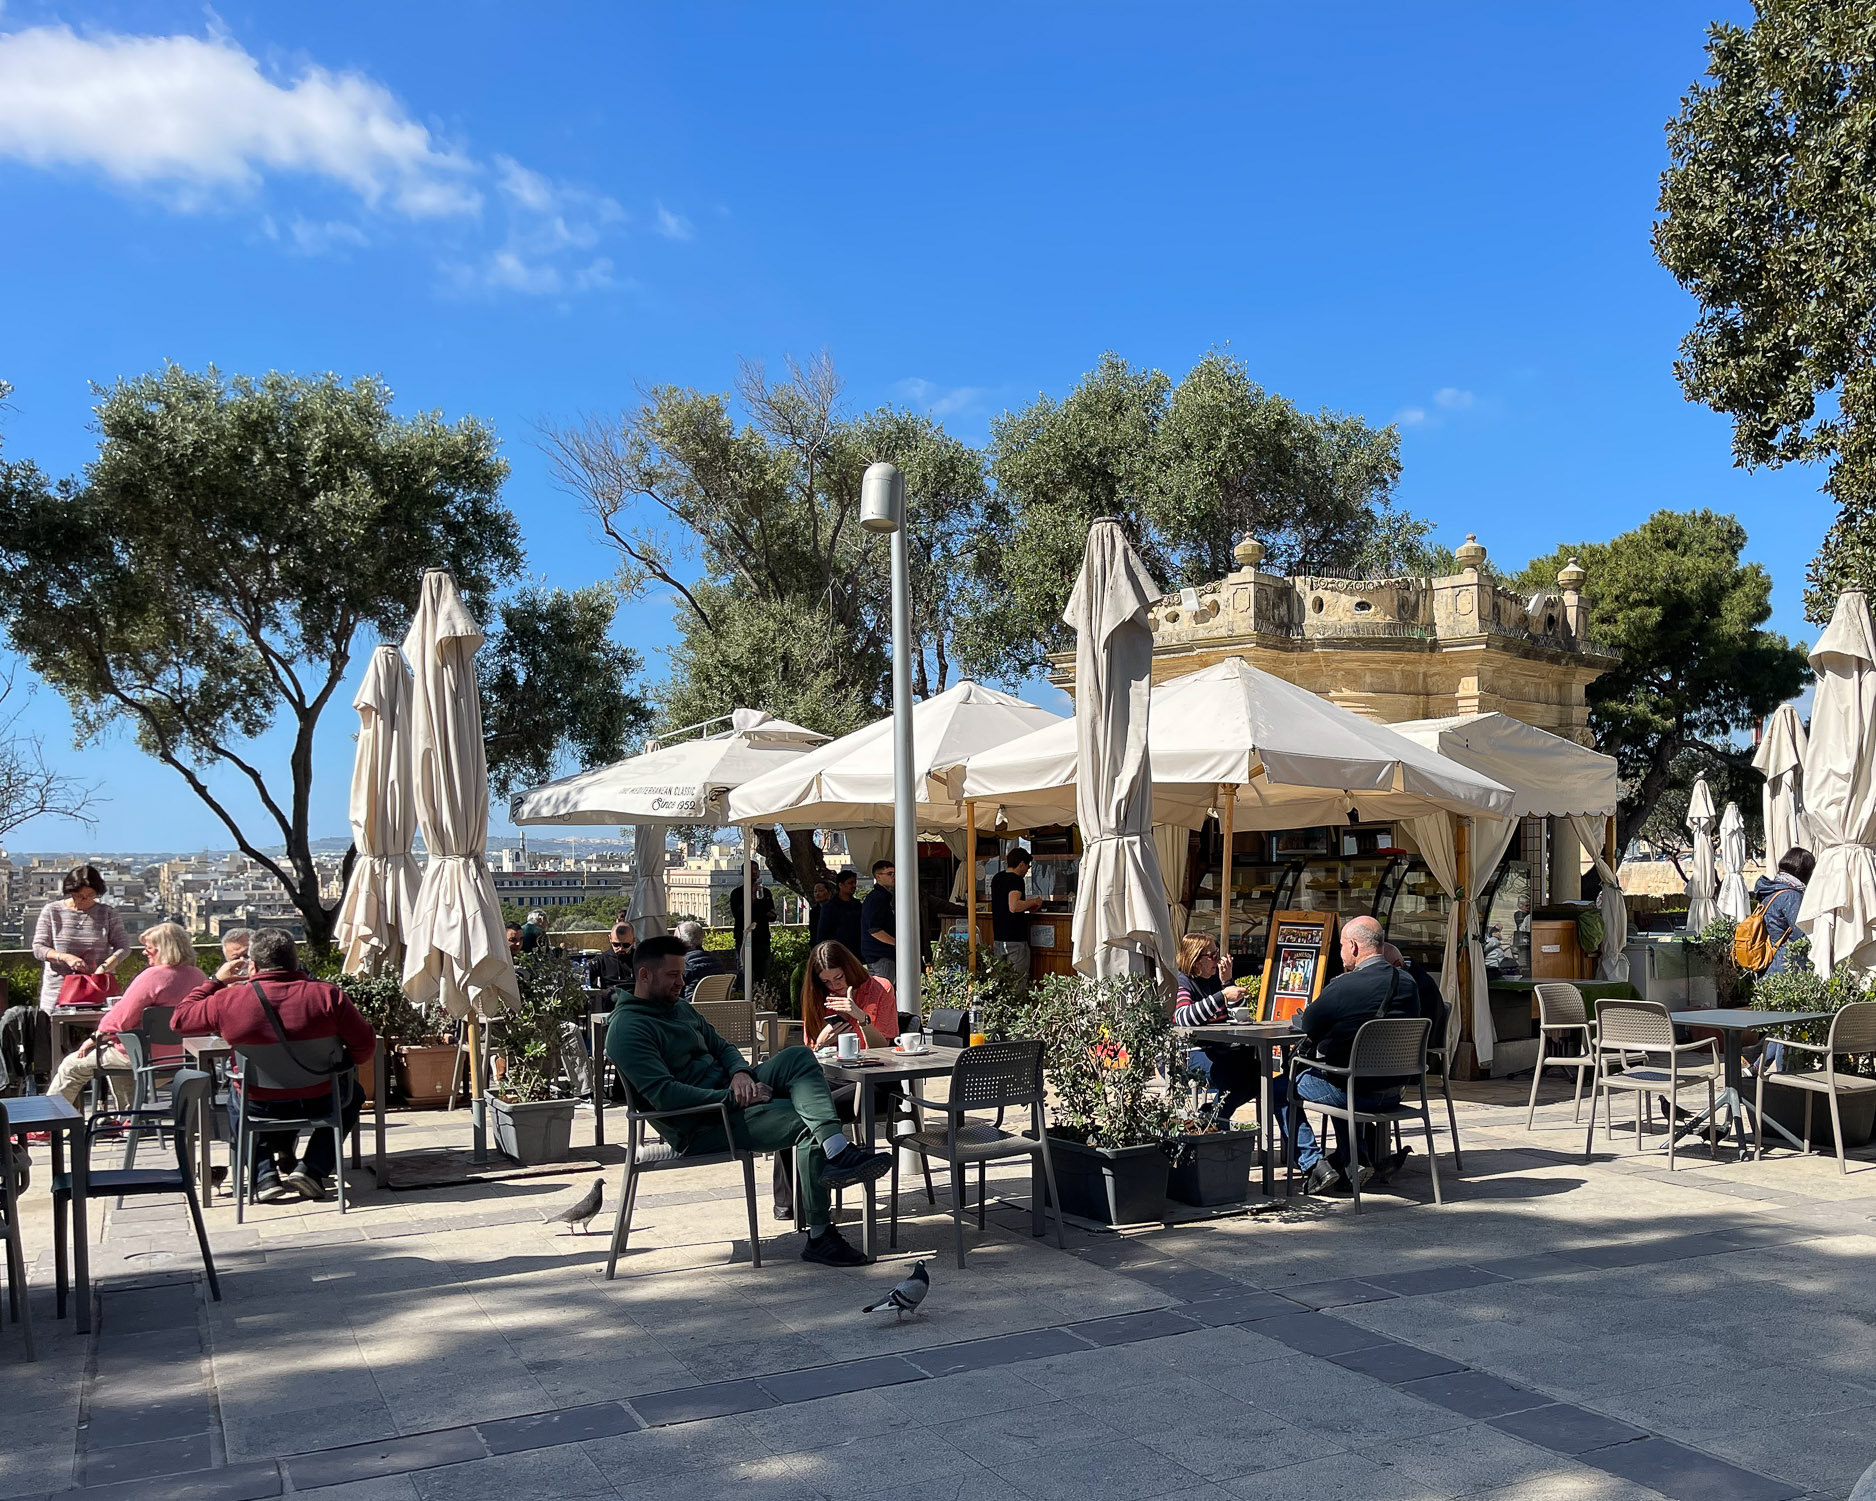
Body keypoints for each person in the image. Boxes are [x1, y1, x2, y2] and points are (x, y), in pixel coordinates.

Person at [606, 934, 891, 1265]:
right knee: (806, 1123)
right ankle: (820, 1235)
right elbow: (666, 1096)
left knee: (798, 1056)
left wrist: (740, 1073)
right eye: (673, 975)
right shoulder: (627, 1029)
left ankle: (837, 1151)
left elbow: (723, 1047)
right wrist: (733, 1098)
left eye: (682, 974)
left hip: (731, 1094)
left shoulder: (679, 1007)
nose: (681, 983)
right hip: (703, 1122)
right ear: (644, 975)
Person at [173, 928, 376, 1204]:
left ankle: (263, 1176)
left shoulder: (227, 1001)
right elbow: (365, 1048)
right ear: (295, 961)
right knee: (353, 1094)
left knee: (237, 1098)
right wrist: (340, 1063)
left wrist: (215, 980)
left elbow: (180, 1020)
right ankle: (313, 1168)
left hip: (260, 1104)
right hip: (321, 1099)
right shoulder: (328, 996)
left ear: (253, 966)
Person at [1271, 915, 1421, 1195]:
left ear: (1352, 946)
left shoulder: (1344, 985)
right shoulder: (1408, 983)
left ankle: (1313, 1165)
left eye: (1340, 945)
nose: (1340, 951)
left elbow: (1309, 1023)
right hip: (1394, 1091)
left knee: (1277, 1088)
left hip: (1353, 1092)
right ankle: (1355, 1159)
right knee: (1341, 1076)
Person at [775, 940, 903, 1219]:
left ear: (850, 968)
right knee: (786, 1106)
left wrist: (860, 1017)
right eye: (826, 981)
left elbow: (885, 1048)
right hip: (835, 1076)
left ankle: (814, 1199)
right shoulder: (816, 995)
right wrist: (821, 1042)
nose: (833, 985)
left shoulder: (879, 988)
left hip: (876, 1080)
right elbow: (811, 1051)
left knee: (812, 1111)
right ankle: (790, 1201)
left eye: (838, 977)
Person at [47, 923, 206, 1106]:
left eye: (149, 948)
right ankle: (129, 1116)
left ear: (163, 948)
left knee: (71, 1066)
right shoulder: (199, 976)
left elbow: (121, 1019)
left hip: (145, 1057)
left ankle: (50, 1117)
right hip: (186, 1056)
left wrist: (94, 1038)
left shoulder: (153, 976)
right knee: (117, 1057)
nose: (144, 952)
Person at [1172, 933, 1262, 1125]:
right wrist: (1223, 995)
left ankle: (1211, 1118)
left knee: (1258, 1074)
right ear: (1196, 959)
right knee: (1234, 1076)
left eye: (1218, 954)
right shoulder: (1182, 982)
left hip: (1219, 1051)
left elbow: (1240, 1017)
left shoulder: (1214, 980)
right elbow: (1184, 1017)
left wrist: (1227, 982)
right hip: (1188, 1054)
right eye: (1212, 955)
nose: (1218, 960)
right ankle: (1214, 1120)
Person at [1749, 846, 1815, 1072]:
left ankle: (1756, 1068)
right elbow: (1801, 935)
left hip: (1770, 968)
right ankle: (1786, 1075)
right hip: (1788, 968)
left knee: (1780, 1027)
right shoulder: (1791, 895)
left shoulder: (1771, 891)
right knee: (1789, 1029)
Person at [32, 865, 133, 1012]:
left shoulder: (108, 913)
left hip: (97, 990)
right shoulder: (52, 911)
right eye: (79, 895)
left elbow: (123, 947)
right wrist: (65, 958)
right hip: (58, 993)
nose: (84, 900)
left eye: (90, 895)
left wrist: (104, 967)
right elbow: (39, 948)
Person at [989, 848, 1043, 981]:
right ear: (1021, 864)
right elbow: (1014, 906)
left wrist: (1027, 905)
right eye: (1028, 866)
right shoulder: (1016, 880)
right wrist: (1034, 902)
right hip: (1015, 939)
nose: (1027, 870)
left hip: (999, 938)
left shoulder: (997, 878)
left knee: (1001, 983)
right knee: (1017, 982)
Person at [729, 870, 776, 997]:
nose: (754, 872)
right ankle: (742, 998)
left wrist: (768, 914)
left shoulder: (765, 892)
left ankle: (761, 998)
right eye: (751, 869)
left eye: (756, 870)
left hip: (762, 939)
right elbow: (738, 914)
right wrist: (751, 898)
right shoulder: (737, 893)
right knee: (744, 972)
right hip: (744, 939)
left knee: (762, 974)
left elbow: (771, 914)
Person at [860, 860, 897, 981]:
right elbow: (874, 929)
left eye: (895, 873)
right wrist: (897, 943)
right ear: (878, 876)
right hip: (880, 955)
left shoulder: (881, 897)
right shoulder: (877, 898)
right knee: (883, 989)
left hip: (877, 954)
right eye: (889, 873)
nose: (894, 877)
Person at [817, 870, 864, 953]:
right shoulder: (830, 907)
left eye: (855, 883)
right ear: (841, 885)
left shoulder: (857, 905)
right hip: (837, 952)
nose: (854, 886)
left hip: (857, 951)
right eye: (850, 883)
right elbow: (823, 933)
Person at [587, 923, 638, 994]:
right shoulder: (601, 960)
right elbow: (585, 983)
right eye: (616, 944)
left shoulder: (641, 959)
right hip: (611, 996)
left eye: (626, 945)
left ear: (633, 941)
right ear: (610, 939)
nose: (621, 948)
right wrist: (601, 992)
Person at [674, 919, 719, 997]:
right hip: (716, 1003)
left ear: (682, 940)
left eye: (675, 939)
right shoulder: (717, 961)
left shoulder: (684, 964)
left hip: (689, 1003)